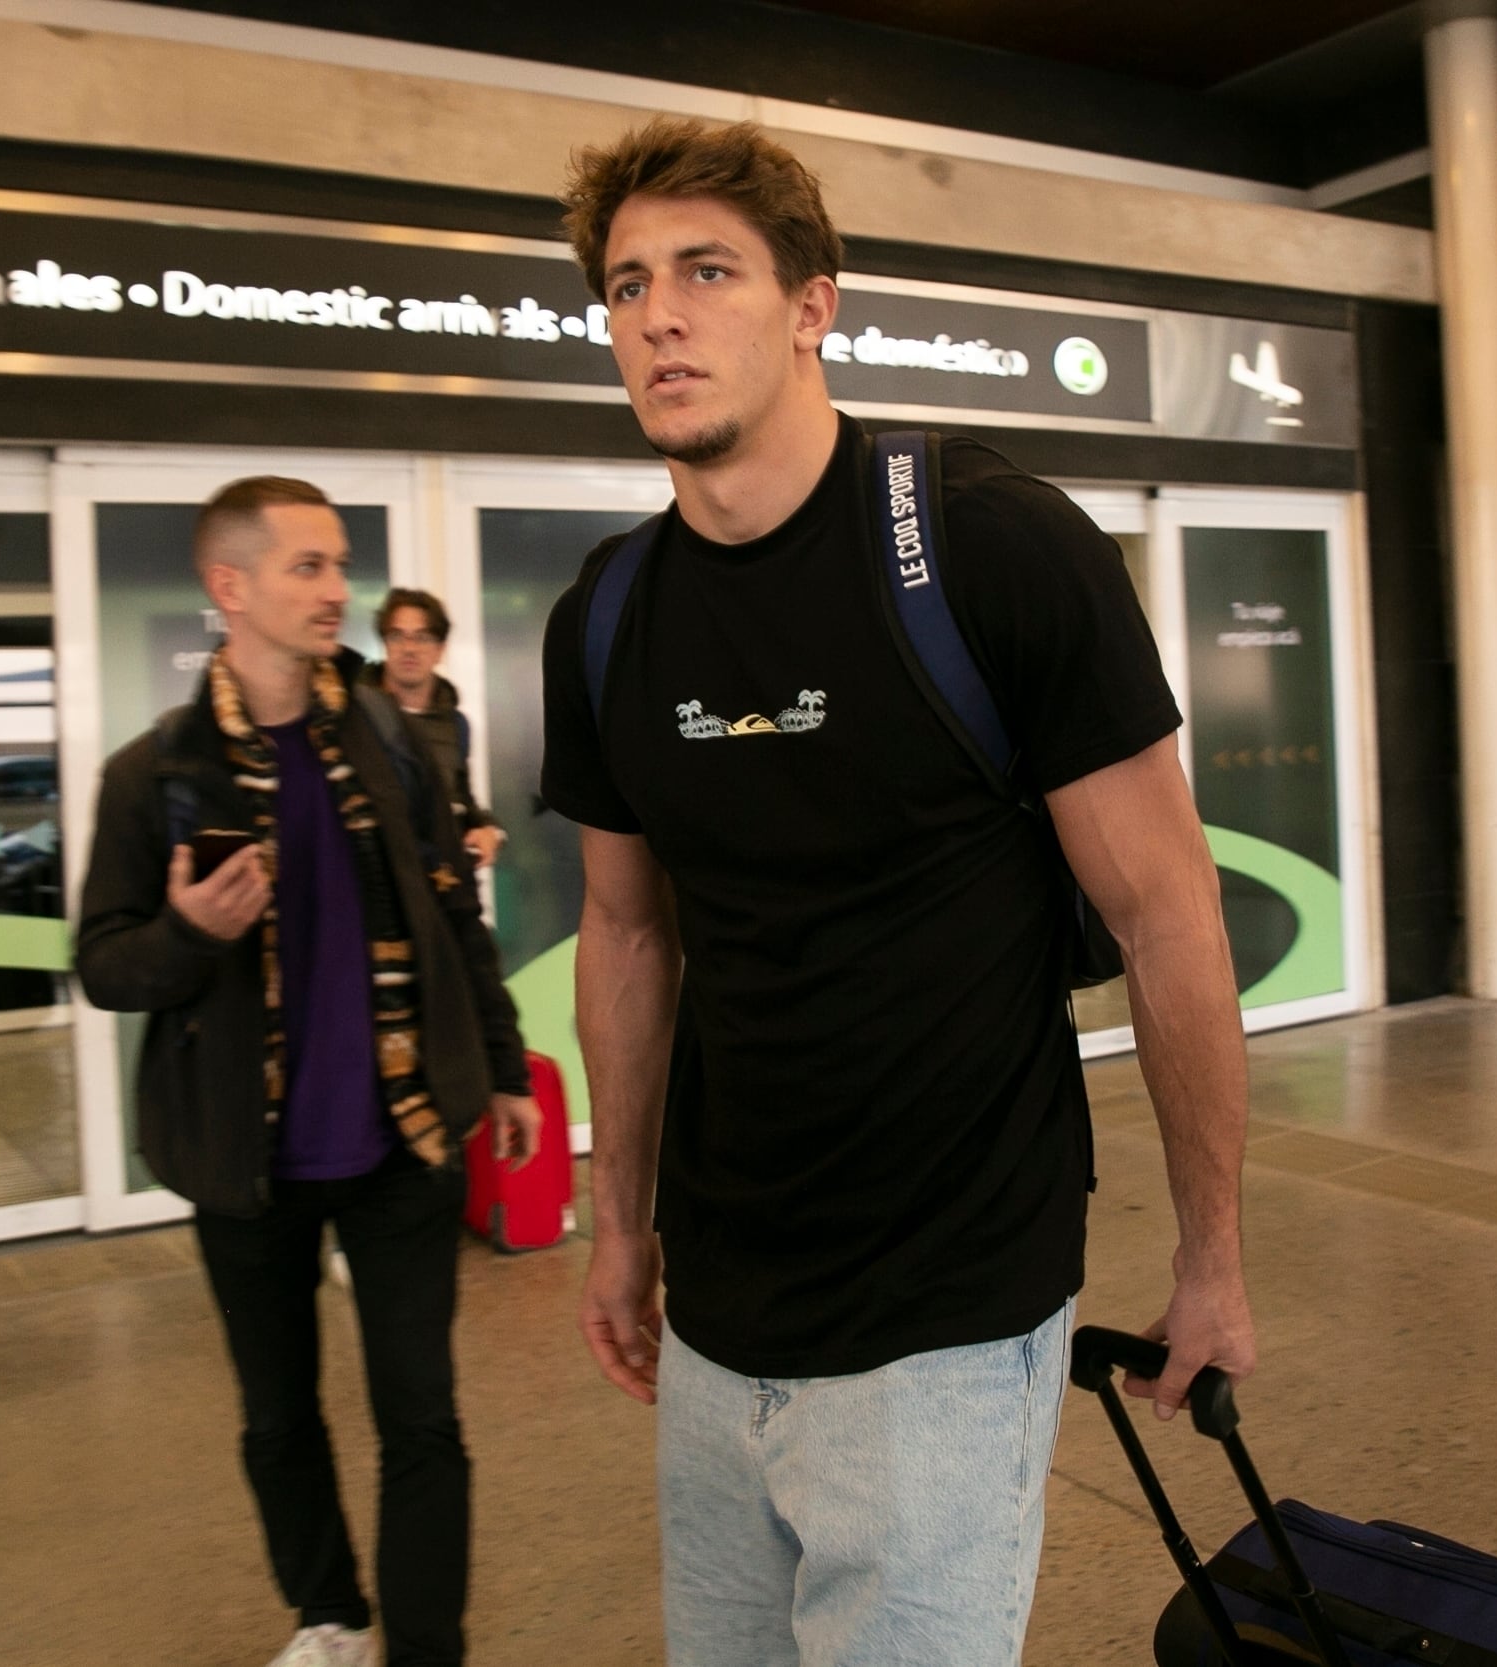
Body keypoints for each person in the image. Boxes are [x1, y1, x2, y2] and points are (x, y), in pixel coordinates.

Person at [541, 118, 1255, 1665]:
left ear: (813, 303)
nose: (657, 314)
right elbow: (626, 926)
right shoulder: (606, 615)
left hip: (948, 1317)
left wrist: (1213, 1256)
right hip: (719, 1322)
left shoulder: (989, 549)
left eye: (707, 271)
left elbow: (1166, 912)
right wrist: (621, 1226)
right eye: (625, 284)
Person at [75, 476, 543, 1667]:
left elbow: (454, 914)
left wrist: (498, 1065)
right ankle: (330, 1616)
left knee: (422, 1418)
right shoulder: (156, 773)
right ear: (229, 586)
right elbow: (104, 964)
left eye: (342, 563)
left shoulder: (393, 740)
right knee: (279, 1417)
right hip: (249, 1159)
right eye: (308, 566)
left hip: (403, 1141)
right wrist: (189, 932)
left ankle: (426, 1647)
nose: (340, 589)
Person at [359, 588, 506, 870]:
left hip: (438, 882)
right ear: (385, 644)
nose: (409, 648)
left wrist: (490, 832)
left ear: (440, 650)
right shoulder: (357, 716)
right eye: (397, 635)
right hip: (374, 880)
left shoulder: (456, 725)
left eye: (422, 637)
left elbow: (461, 800)